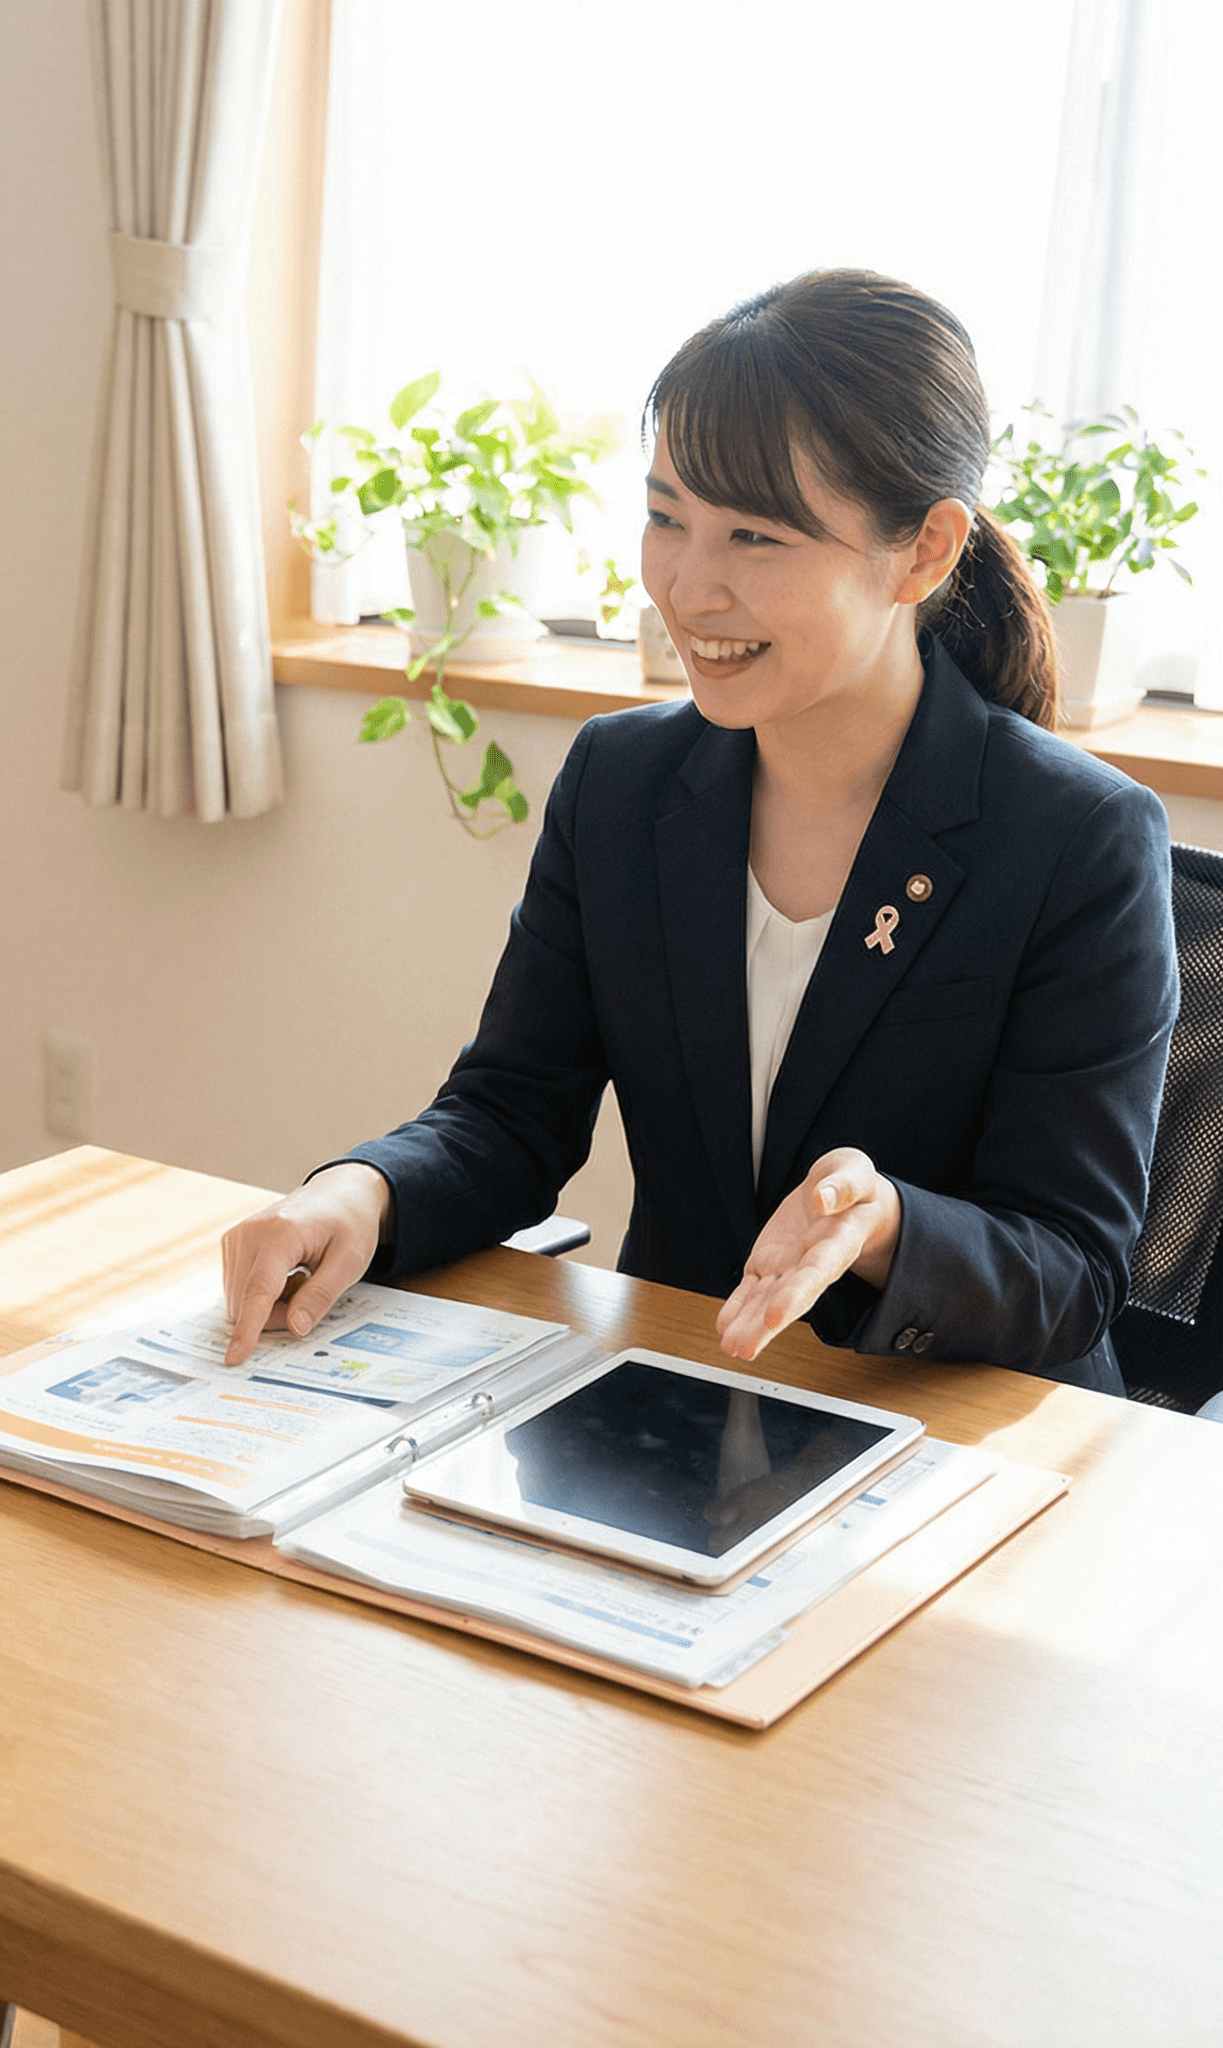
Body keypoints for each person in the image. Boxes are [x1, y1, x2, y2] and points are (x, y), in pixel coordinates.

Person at [223, 270, 1177, 1396]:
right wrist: (359, 1192)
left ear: (922, 551)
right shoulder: (622, 781)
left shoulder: (1076, 836)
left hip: (956, 1427)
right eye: (665, 516)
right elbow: (509, 1112)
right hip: (675, 1391)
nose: (685, 587)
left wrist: (883, 1226)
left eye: (755, 538)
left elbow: (1070, 1266)